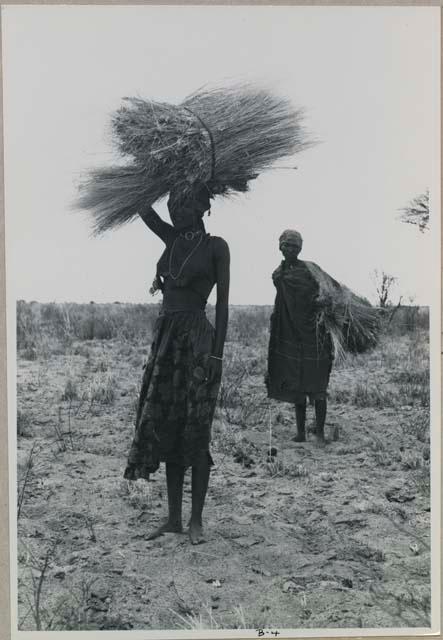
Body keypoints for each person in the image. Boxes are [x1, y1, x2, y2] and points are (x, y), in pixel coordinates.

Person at [124, 183, 230, 545]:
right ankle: (173, 519)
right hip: (166, 339)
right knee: (168, 425)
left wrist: (217, 354)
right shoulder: (170, 239)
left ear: (202, 207)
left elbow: (224, 305)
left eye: (184, 205)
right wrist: (156, 174)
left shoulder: (217, 247)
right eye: (173, 204)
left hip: (198, 341)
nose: (176, 211)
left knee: (196, 429)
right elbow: (141, 205)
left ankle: (196, 521)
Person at [266, 230, 333, 445]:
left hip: (314, 335)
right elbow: (283, 302)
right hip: (291, 335)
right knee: (296, 386)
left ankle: (320, 433)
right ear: (280, 247)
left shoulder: (311, 270)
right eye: (287, 245)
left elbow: (328, 292)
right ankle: (301, 433)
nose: (291, 249)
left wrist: (320, 303)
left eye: (295, 246)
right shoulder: (279, 274)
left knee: (318, 386)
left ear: (301, 248)